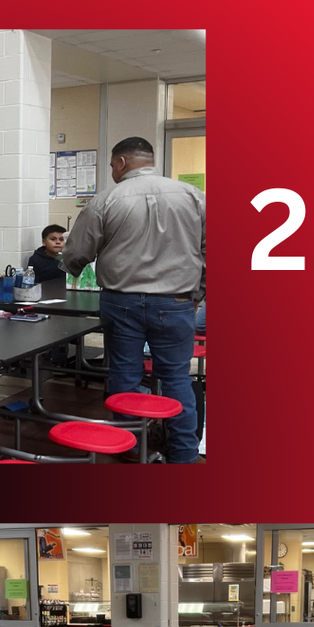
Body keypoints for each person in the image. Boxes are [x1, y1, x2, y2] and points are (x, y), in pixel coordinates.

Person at [61, 137, 205, 464]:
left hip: (121, 303)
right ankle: (184, 455)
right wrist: (197, 292)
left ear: (122, 162)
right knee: (176, 379)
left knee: (125, 377)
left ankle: (127, 448)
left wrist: (70, 267)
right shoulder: (194, 196)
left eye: (112, 165)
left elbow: (75, 253)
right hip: (176, 302)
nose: (112, 171)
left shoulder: (106, 199)